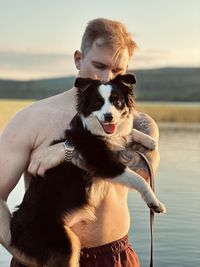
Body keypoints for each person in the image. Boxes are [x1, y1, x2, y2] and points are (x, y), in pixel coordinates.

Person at [0, 18, 160, 267]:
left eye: (118, 70)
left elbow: (142, 173)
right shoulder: (29, 120)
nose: (107, 78)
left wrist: (67, 150)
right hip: (42, 258)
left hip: (113, 258)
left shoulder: (139, 125)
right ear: (78, 59)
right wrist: (25, 255)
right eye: (99, 65)